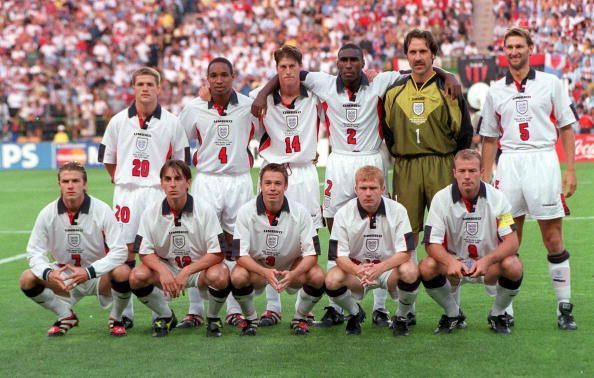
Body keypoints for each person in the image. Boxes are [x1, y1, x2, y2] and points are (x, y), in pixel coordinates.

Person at [252, 42, 461, 328]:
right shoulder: (323, 84)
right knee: (335, 225)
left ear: (363, 62)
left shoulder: (380, 81)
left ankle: (380, 306)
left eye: (354, 60)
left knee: (383, 225)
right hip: (338, 161)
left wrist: (448, 75)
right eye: (343, 60)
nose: (348, 64)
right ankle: (335, 305)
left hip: (371, 160)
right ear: (337, 63)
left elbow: (416, 68)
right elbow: (290, 73)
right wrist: (264, 92)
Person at [480, 28, 578, 330]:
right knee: (509, 239)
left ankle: (564, 307)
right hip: (509, 165)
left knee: (553, 238)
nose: (513, 51)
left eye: (519, 46)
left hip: (543, 162)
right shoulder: (495, 90)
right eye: (509, 47)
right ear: (504, 51)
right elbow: (489, 139)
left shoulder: (551, 83)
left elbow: (566, 127)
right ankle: (504, 308)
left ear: (530, 48)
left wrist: (570, 169)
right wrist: (485, 177)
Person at [98, 67, 190, 328]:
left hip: (157, 193)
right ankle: (123, 313)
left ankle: (159, 312)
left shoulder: (172, 122)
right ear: (133, 88)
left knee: (157, 253)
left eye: (150, 84)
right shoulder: (118, 121)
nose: (146, 88)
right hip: (127, 193)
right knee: (124, 253)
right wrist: (122, 180)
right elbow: (108, 159)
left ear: (159, 88)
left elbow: (182, 163)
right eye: (140, 84)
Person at [248, 45, 323, 327]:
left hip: (304, 173)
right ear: (276, 69)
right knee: (270, 237)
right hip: (274, 172)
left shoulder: (315, 94)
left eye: (293, 66)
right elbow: (250, 132)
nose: (288, 72)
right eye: (282, 67)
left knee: (308, 240)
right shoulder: (263, 101)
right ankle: (272, 305)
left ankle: (305, 309)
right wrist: (265, 91)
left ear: (300, 67)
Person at [179, 57, 255, 330]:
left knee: (236, 246)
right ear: (207, 78)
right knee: (200, 244)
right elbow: (179, 139)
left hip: (239, 180)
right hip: (207, 181)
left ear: (234, 76)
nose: (219, 80)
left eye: (225, 74)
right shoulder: (194, 108)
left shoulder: (248, 106)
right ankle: (195, 309)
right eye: (214, 75)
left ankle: (234, 309)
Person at [383, 29, 473, 248]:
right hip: (406, 167)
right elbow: (388, 133)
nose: (418, 57)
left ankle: (449, 281)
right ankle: (410, 279)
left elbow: (464, 133)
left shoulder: (449, 88)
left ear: (433, 54)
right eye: (412, 52)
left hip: (441, 164)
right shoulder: (394, 91)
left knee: (445, 231)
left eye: (423, 51)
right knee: (406, 233)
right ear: (406, 55)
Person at [19, 162, 131, 337]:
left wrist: (89, 272)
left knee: (123, 272)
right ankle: (65, 316)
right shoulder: (47, 213)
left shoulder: (101, 210)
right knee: (27, 278)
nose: (70, 185)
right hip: (65, 276)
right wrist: (49, 273)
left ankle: (116, 318)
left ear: (84, 184)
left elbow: (120, 251)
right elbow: (34, 252)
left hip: (98, 275)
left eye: (75, 181)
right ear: (59, 185)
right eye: (65, 181)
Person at [420, 149, 523, 335]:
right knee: (427, 266)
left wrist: (488, 260)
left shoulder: (497, 197)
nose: (467, 176)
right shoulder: (441, 199)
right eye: (462, 171)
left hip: (487, 264)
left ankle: (498, 313)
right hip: (456, 265)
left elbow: (512, 241)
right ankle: (453, 314)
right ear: (454, 173)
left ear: (482, 172)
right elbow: (431, 243)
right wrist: (450, 261)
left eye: (472, 171)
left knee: (513, 265)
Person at [129, 160, 230, 337]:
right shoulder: (151, 212)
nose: (173, 184)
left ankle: (213, 318)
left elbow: (218, 252)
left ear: (188, 182)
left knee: (220, 275)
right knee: (137, 276)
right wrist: (162, 270)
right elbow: (144, 251)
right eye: (167, 179)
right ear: (161, 183)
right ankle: (166, 315)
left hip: (198, 269)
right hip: (168, 266)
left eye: (178, 178)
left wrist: (187, 271)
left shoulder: (205, 210)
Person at [230, 163, 325, 336]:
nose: (272, 188)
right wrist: (264, 272)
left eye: (277, 183)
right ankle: (251, 319)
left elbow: (312, 255)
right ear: (260, 185)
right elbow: (240, 255)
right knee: (237, 275)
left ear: (286, 186)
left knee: (318, 275)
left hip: (290, 267)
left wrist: (293, 274)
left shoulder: (301, 212)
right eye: (268, 183)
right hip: (259, 269)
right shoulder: (245, 211)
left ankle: (300, 318)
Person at [324, 166, 420, 336]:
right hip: (358, 271)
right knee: (332, 279)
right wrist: (356, 270)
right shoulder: (343, 214)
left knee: (410, 270)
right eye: (363, 188)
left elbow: (405, 252)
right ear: (356, 189)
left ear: (383, 189)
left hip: (387, 270)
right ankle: (355, 313)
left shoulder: (398, 210)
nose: (368, 193)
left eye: (373, 188)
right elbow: (339, 256)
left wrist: (380, 268)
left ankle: (401, 317)